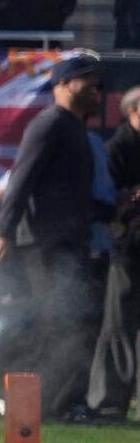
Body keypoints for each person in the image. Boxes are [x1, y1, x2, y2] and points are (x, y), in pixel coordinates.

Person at [0, 50, 111, 422]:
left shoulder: (74, 128)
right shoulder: (49, 124)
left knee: (68, 322)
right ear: (62, 84)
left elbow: (76, 192)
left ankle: (51, 403)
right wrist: (2, 231)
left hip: (69, 241)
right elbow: (21, 181)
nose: (95, 89)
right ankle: (10, 392)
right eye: (86, 81)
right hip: (45, 243)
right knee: (56, 320)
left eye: (97, 83)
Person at [83, 85, 140, 422]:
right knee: (119, 324)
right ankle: (108, 400)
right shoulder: (117, 148)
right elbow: (104, 198)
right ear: (132, 112)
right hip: (126, 247)